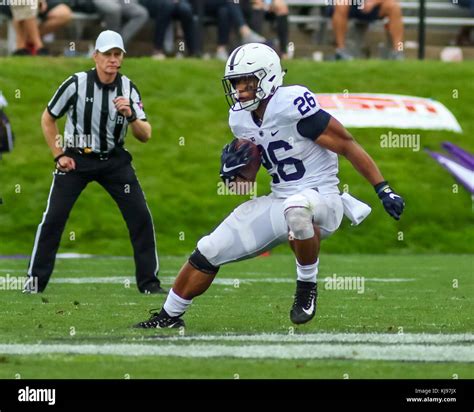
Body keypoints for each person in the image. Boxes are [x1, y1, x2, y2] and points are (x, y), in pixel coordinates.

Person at [134, 43, 405, 329]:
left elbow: (347, 145)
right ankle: (168, 316)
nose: (239, 90)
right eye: (236, 83)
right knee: (211, 248)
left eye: (246, 81)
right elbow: (245, 185)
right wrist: (236, 175)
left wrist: (382, 188)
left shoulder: (293, 104)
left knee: (297, 209)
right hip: (281, 200)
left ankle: (306, 288)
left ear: (269, 77)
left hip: (322, 200)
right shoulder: (239, 119)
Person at [24, 30, 165, 295]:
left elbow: (145, 135)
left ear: (122, 57)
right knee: (53, 219)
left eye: (117, 54)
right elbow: (48, 118)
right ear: (95, 56)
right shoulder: (76, 83)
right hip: (76, 159)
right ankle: (34, 283)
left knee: (141, 217)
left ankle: (149, 284)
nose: (112, 60)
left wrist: (132, 115)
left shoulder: (128, 88)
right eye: (107, 54)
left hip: (114, 161)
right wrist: (59, 155)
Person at [332, 0, 404, 60]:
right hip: (351, 5)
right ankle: (340, 50)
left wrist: (373, 2)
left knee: (395, 7)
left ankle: (398, 50)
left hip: (375, 6)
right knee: (341, 3)